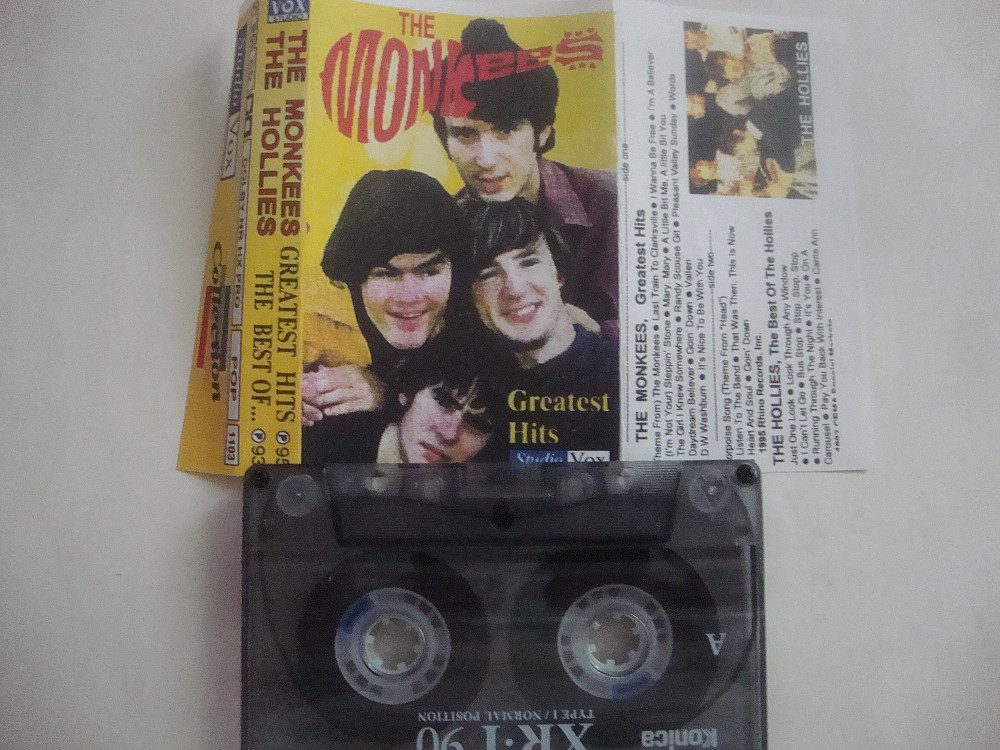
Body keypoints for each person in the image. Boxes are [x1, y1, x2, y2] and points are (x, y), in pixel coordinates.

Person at [431, 18, 619, 339]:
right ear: (445, 142)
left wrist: (597, 334)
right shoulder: (441, 231)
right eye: (464, 134)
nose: (486, 159)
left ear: (542, 132)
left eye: (505, 130)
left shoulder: (612, 200)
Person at [302, 169, 471, 426]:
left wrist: (386, 396)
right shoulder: (317, 327)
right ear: (355, 277)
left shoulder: (479, 336)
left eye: (429, 272)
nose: (410, 297)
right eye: (386, 274)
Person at [464, 198, 618, 456]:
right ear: (471, 299)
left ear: (559, 273)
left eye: (528, 262)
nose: (515, 289)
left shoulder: (625, 376)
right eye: (488, 274)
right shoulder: (469, 407)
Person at [302, 346, 497, 464]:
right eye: (442, 401)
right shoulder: (317, 442)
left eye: (477, 423)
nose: (448, 434)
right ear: (406, 392)